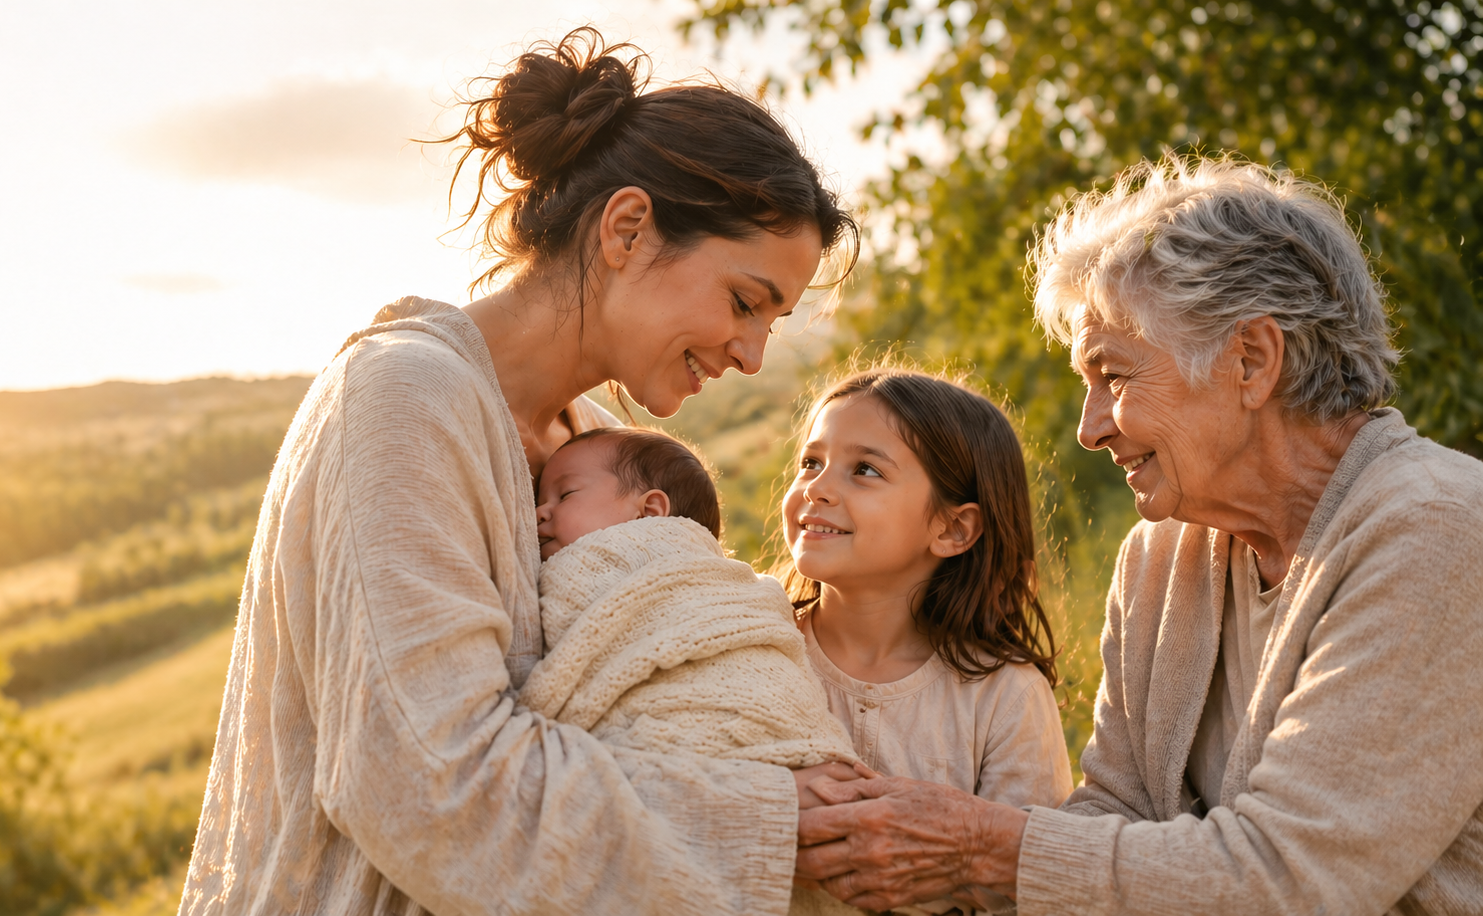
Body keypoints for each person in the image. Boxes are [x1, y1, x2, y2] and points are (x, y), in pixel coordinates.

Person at [177, 26, 861, 916]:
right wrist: (769, 824)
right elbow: (426, 779)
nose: (752, 354)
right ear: (626, 229)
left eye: (770, 323)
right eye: (743, 302)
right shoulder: (403, 398)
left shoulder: (599, 448)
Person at [793, 155, 1483, 915]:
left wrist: (981, 849)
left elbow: (1289, 880)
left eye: (1114, 377)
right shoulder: (1162, 556)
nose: (1089, 429)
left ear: (1251, 360)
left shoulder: (1438, 529)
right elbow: (1114, 811)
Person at [779, 369, 1072, 915]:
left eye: (864, 470)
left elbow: (1024, 884)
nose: (815, 488)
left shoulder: (1006, 696)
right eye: (811, 462)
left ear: (953, 529)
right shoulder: (756, 646)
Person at [522, 426, 856, 770]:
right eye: (538, 501)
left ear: (650, 511)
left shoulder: (722, 583)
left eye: (564, 495)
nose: (538, 513)